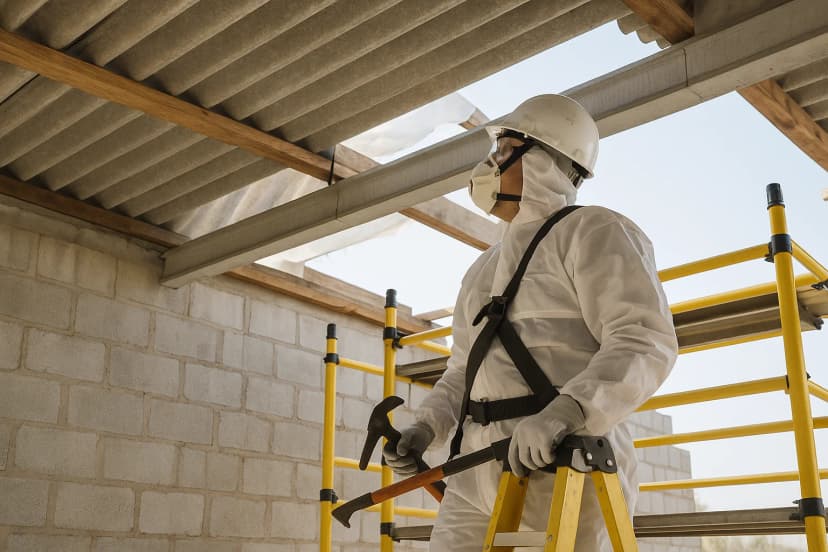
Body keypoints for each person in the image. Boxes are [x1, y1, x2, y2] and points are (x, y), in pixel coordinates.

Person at [383, 94, 678, 551]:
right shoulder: (484, 268)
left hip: (567, 462)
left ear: (541, 157)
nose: (490, 165)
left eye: (502, 151)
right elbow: (463, 372)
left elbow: (643, 340)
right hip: (476, 467)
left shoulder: (594, 231)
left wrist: (570, 410)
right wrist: (425, 429)